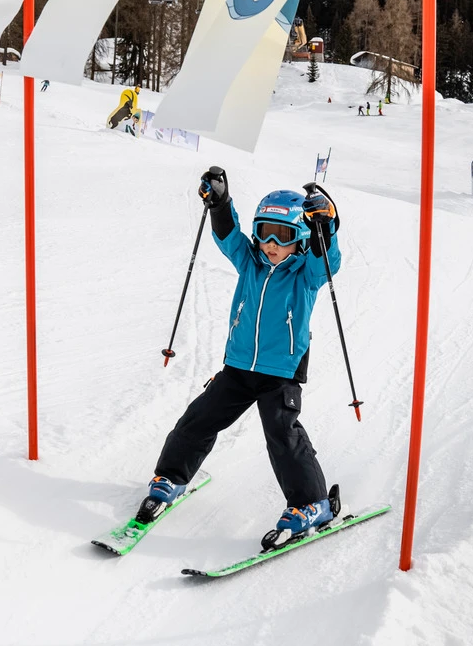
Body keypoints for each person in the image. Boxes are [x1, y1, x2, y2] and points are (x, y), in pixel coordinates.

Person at [137, 167, 343, 545]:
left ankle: (313, 504)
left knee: (282, 435)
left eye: (280, 235)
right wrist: (220, 203)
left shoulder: (305, 274)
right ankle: (171, 477)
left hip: (280, 372)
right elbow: (228, 236)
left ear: (299, 237)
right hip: (238, 367)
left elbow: (326, 260)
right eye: (263, 232)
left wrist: (324, 227)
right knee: (197, 420)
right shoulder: (251, 262)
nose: (269, 243)